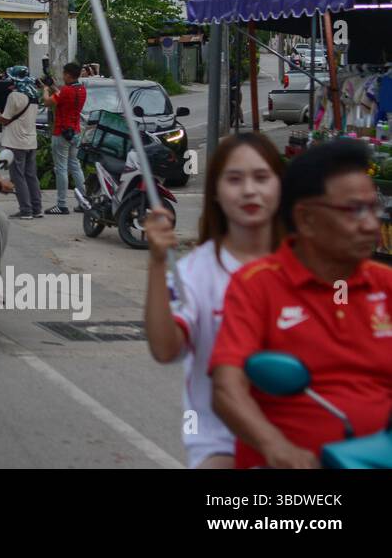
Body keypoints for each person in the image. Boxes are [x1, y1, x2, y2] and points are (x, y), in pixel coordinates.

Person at [209, 138, 392, 469]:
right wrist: (275, 446)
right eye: (354, 210)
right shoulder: (257, 285)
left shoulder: (385, 285)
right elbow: (226, 388)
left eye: (373, 208)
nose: (370, 225)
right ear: (306, 219)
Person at [143, 133, 284, 469]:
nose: (249, 190)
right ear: (217, 193)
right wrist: (158, 264)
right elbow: (165, 350)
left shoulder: (307, 265)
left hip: (301, 435)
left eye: (261, 177)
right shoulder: (193, 273)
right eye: (234, 179)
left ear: (281, 186)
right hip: (221, 442)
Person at [0, 66, 42, 220]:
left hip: (16, 141)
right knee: (31, 175)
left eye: (11, 78)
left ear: (16, 79)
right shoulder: (34, 94)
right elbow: (12, 116)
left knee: (18, 177)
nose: (8, 81)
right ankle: (37, 208)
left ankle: (26, 210)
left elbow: (4, 119)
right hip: (30, 140)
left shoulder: (14, 96)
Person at [43, 62, 87, 215]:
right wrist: (55, 87)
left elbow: (48, 102)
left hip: (61, 132)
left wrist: (45, 90)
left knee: (61, 168)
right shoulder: (81, 90)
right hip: (75, 131)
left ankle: (61, 204)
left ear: (68, 74)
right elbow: (63, 97)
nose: (63, 76)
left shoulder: (65, 91)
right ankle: (84, 201)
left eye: (64, 73)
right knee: (75, 166)